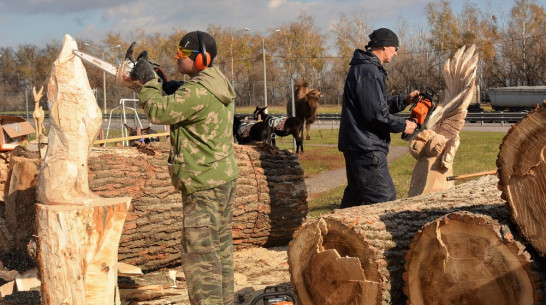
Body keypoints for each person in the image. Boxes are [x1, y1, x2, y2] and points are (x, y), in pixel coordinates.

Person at [131, 31, 238, 305]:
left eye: (184, 53)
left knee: (200, 255)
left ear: (202, 58)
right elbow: (190, 100)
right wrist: (171, 86)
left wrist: (148, 83)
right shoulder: (218, 82)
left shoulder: (197, 91)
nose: (178, 57)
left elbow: (158, 112)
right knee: (219, 248)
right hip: (221, 177)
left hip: (203, 182)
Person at [338, 28, 419, 208]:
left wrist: (404, 100)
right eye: (395, 48)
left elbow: (374, 106)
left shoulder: (363, 68)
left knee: (355, 199)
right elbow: (375, 115)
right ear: (384, 46)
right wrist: (403, 125)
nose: (396, 52)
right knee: (383, 199)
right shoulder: (369, 71)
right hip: (366, 146)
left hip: (358, 143)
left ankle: (334, 235)